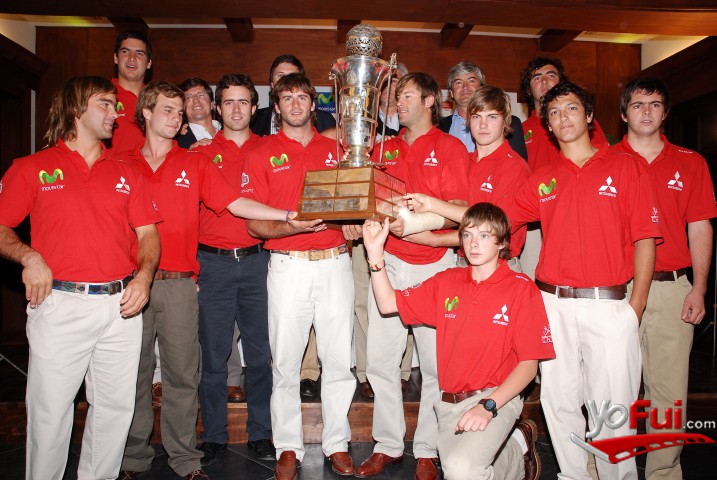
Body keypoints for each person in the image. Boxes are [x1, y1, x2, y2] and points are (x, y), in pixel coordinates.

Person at [119, 81, 294, 480]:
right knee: (143, 371)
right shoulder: (126, 164)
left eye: (179, 112)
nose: (177, 117)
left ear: (255, 108)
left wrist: (287, 215)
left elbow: (235, 204)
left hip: (225, 268)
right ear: (146, 112)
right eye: (168, 110)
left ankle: (199, 453)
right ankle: (146, 454)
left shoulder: (194, 162)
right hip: (156, 277)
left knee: (203, 367)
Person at [0, 76, 161, 479]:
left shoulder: (128, 172)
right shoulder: (31, 168)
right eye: (105, 105)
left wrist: (143, 277)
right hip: (59, 305)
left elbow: (149, 235)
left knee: (114, 412)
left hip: (121, 307)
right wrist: (29, 255)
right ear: (76, 109)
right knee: (50, 413)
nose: (115, 113)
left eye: (115, 106)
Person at [504, 82, 660, 480]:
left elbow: (645, 239)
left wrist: (634, 307)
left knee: (612, 411)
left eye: (571, 109)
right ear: (548, 126)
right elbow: (492, 220)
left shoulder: (626, 167)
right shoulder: (544, 178)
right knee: (560, 404)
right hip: (553, 304)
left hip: (608, 306)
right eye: (554, 113)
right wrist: (430, 211)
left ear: (589, 116)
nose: (563, 118)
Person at [362, 203, 554, 479]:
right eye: (467, 235)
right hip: (449, 406)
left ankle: (508, 443)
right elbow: (388, 303)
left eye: (485, 236)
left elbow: (528, 367)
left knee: (461, 470)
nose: (474, 244)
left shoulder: (521, 288)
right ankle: (516, 450)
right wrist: (375, 254)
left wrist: (489, 405)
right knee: (465, 470)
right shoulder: (447, 281)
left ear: (501, 242)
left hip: (495, 399)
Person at [352, 72, 470, 480]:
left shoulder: (451, 147)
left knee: (435, 366)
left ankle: (427, 448)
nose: (398, 102)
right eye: (396, 96)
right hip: (387, 261)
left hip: (435, 266)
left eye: (406, 96)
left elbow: (460, 204)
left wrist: (417, 223)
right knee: (382, 362)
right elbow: (368, 194)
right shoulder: (383, 146)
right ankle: (388, 444)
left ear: (430, 100)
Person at [242, 73, 356, 480]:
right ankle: (287, 446)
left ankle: (337, 443)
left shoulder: (339, 150)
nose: (294, 104)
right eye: (286, 97)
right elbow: (255, 225)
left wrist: (357, 222)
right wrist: (294, 228)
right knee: (286, 363)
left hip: (335, 263)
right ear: (277, 107)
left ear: (313, 104)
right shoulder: (261, 153)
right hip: (287, 266)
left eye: (301, 97)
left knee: (340, 359)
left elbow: (356, 205)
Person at [612, 77, 716, 480]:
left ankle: (663, 473)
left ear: (665, 111)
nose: (647, 111)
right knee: (610, 388)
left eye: (655, 104)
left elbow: (700, 227)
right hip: (617, 290)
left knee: (668, 396)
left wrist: (701, 287)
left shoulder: (691, 162)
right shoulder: (604, 160)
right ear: (624, 113)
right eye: (638, 104)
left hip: (674, 288)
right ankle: (600, 467)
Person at [193, 74, 276, 464]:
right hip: (213, 264)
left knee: (259, 355)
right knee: (213, 356)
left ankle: (261, 431)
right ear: (217, 108)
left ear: (255, 108)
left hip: (259, 261)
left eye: (244, 102)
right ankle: (213, 434)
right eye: (229, 102)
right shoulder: (200, 153)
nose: (237, 109)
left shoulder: (270, 150)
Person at [439, 61, 527, 160]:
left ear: (482, 88)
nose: (465, 87)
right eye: (458, 82)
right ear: (451, 93)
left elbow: (517, 166)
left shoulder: (510, 123)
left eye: (471, 81)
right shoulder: (439, 126)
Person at [109, 30, 152, 155]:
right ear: (116, 58)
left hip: (151, 173)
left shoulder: (158, 99)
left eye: (139, 53)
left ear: (149, 63)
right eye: (125, 52)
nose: (132, 58)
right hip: (112, 173)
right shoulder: (100, 96)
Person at [176, 77, 221, 149]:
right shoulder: (177, 142)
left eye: (201, 95)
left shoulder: (229, 130)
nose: (196, 100)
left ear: (212, 104)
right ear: (183, 107)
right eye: (189, 97)